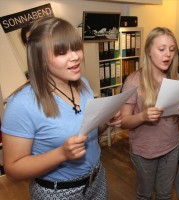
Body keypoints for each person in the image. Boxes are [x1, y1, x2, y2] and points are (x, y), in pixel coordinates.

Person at [1, 17, 121, 200]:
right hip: (57, 192)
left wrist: (105, 122)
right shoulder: (21, 104)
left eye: (76, 47)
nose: (75, 57)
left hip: (96, 179)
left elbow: (89, 135)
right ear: (40, 58)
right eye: (61, 52)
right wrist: (61, 154)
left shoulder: (84, 85)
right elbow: (13, 170)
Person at [120, 27, 179, 200]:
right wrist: (143, 116)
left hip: (171, 147)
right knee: (145, 195)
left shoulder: (176, 77)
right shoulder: (133, 81)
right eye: (161, 49)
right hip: (144, 151)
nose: (167, 54)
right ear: (148, 51)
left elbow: (175, 114)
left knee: (165, 194)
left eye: (171, 49)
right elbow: (123, 121)